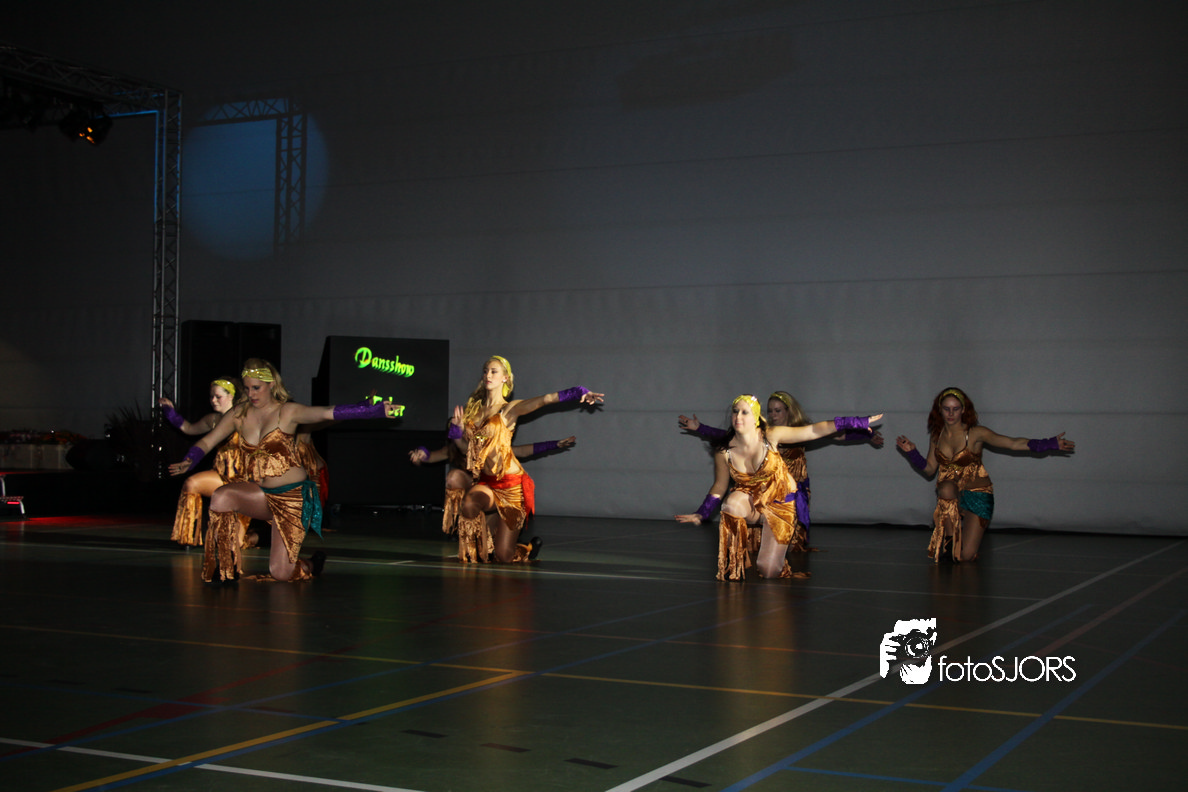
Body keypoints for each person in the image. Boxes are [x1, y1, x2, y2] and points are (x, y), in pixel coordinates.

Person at [170, 359, 400, 584]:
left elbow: (326, 413)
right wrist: (189, 459)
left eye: (256, 388)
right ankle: (226, 568)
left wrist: (371, 411)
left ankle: (311, 564)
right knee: (222, 496)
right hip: (261, 495)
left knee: (281, 572)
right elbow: (208, 441)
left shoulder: (287, 411)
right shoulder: (239, 414)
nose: (251, 394)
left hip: (292, 499)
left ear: (271, 384)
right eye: (247, 389)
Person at [675, 394, 882, 581]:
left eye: (745, 412)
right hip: (751, 502)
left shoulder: (771, 435)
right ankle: (735, 566)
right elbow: (720, 486)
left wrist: (854, 422)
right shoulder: (724, 451)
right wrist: (702, 513)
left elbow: (814, 430)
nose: (738, 416)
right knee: (731, 503)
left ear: (756, 418)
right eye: (735, 411)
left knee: (768, 570)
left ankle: (776, 561)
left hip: (780, 505)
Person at [446, 355, 603, 563]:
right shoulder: (473, 413)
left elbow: (545, 400)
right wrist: (457, 434)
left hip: (512, 488)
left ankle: (526, 549)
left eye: (494, 371)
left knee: (503, 556)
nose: (488, 375)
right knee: (469, 503)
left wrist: (579, 392)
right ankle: (482, 545)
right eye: (485, 371)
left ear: (505, 378)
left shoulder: (509, 409)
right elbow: (468, 452)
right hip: (488, 483)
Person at [895, 386, 1075, 563]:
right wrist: (913, 453)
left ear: (963, 410)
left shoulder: (975, 433)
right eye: (946, 409)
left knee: (965, 556)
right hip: (953, 492)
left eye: (955, 409)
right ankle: (950, 542)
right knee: (945, 487)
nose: (951, 413)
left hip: (978, 494)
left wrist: (1047, 444)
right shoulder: (937, 436)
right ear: (940, 410)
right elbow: (929, 470)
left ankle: (963, 547)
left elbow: (1012, 443)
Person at [409, 430, 576, 539]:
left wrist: (554, 444)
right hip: (472, 495)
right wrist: (421, 454)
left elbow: (522, 451)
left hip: (494, 495)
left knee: (497, 547)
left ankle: (523, 547)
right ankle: (457, 525)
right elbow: (431, 456)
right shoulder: (453, 450)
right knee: (454, 477)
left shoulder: (488, 447)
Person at [159, 378, 244, 547]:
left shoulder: (244, 418)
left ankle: (254, 536)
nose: (213, 400)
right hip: (221, 474)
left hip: (244, 480)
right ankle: (188, 537)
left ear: (231, 396)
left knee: (235, 542)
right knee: (191, 483)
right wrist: (170, 412)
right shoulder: (212, 419)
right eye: (211, 397)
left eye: (218, 397)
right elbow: (189, 429)